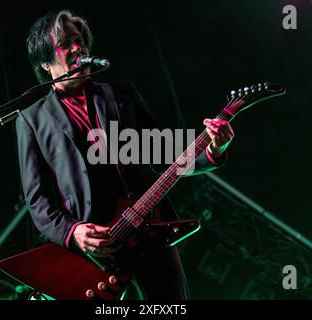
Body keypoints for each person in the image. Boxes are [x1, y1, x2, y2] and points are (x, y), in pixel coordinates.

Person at [16, 9, 234, 300]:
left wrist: (212, 150)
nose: (78, 48)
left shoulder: (121, 96)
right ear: (44, 61)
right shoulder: (32, 119)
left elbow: (165, 157)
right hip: (94, 249)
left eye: (80, 40)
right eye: (66, 43)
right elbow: (39, 202)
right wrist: (74, 233)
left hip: (149, 231)